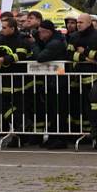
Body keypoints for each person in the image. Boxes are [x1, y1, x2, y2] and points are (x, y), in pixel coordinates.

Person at [66, 14, 97, 148]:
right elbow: (68, 54)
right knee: (86, 107)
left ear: (89, 23)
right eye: (77, 22)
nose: (78, 24)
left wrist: (85, 51)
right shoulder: (74, 37)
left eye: (81, 22)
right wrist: (85, 57)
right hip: (81, 77)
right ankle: (90, 134)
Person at [0, 16, 33, 144]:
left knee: (19, 108)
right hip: (3, 81)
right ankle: (21, 125)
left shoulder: (21, 40)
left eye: (4, 27)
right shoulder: (0, 39)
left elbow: (20, 55)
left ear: (12, 28)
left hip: (19, 82)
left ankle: (19, 136)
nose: (2, 30)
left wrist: (3, 60)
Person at [35, 19, 69, 149]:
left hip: (58, 82)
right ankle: (53, 136)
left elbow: (40, 57)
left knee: (58, 111)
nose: (40, 35)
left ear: (48, 32)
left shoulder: (56, 43)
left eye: (41, 33)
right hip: (52, 82)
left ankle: (60, 138)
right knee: (52, 111)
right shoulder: (51, 40)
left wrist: (34, 45)